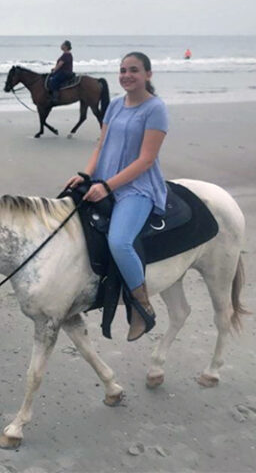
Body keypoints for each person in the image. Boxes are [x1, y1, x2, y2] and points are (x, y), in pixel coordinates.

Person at [64, 52, 168, 341]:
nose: (126, 75)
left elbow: (146, 160)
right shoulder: (113, 106)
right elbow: (100, 147)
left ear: (148, 74)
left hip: (137, 188)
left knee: (119, 242)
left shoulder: (155, 109)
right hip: (103, 179)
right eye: (122, 70)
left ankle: (141, 306)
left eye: (133, 70)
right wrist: (85, 176)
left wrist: (108, 187)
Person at [48, 40, 73, 104]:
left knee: (54, 80)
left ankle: (55, 97)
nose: (61, 45)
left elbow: (60, 64)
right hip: (66, 72)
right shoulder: (68, 54)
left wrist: (54, 70)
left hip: (65, 73)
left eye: (63, 44)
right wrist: (54, 69)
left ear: (66, 47)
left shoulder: (65, 55)